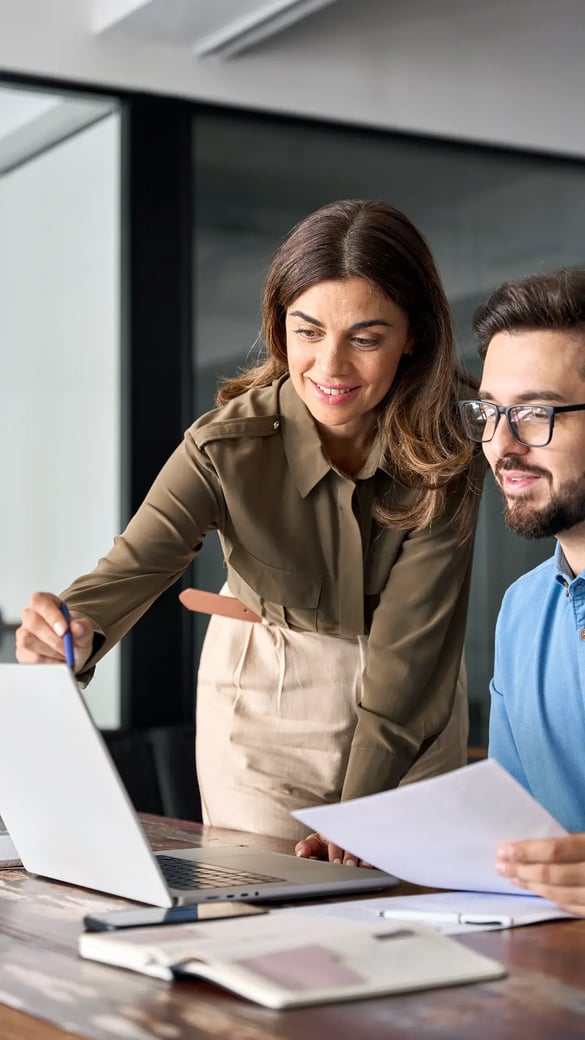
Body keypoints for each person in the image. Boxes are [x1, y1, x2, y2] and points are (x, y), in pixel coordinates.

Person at [16, 199, 483, 856]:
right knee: (260, 918)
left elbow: (411, 648)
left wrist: (360, 809)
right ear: (279, 324)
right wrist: (70, 631)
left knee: (414, 921)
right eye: (307, 331)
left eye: (366, 338)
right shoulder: (224, 447)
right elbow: (133, 568)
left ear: (414, 336)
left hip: (413, 707)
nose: (330, 367)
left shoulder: (447, 447)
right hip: (267, 705)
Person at [459, 267, 585, 915]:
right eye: (489, 412)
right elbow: (514, 831)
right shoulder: (522, 609)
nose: (501, 445)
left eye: (534, 413)